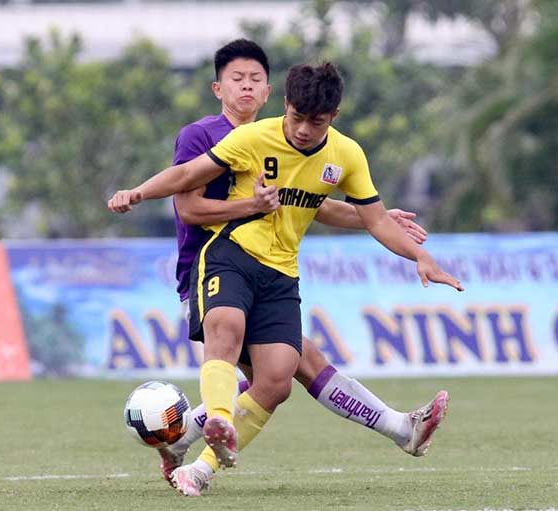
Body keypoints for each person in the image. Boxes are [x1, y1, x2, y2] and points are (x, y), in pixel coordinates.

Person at [108, 57, 463, 497]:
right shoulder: (252, 138)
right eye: (296, 118)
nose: (302, 131)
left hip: (281, 275)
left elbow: (374, 219)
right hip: (230, 254)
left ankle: (197, 466)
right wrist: (138, 192)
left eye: (315, 123)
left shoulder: (346, 155)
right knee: (227, 328)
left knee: (277, 380)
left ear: (333, 117)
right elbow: (186, 178)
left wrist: (419, 256)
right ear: (285, 105)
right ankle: (219, 418)